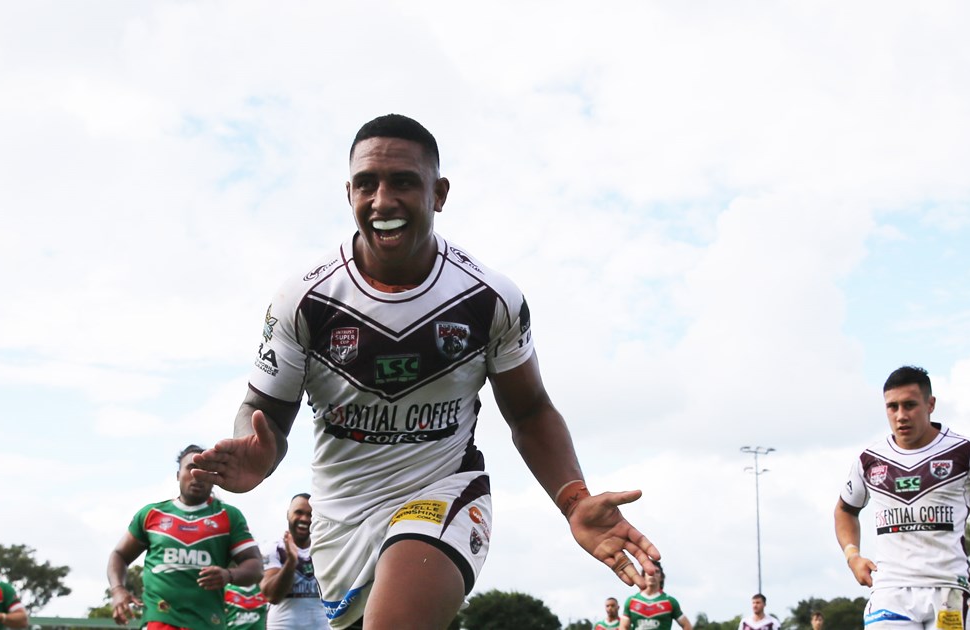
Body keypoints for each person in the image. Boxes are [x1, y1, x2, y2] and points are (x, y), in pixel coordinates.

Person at [194, 114, 661, 629]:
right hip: (341, 518)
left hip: (444, 493)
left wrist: (573, 499)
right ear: (348, 192)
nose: (382, 201)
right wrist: (256, 452)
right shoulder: (302, 300)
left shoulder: (488, 298)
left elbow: (529, 411)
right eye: (367, 184)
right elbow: (265, 414)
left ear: (438, 194)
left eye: (403, 182)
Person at [834, 366, 970, 630]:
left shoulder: (967, 450)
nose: (901, 416)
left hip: (948, 591)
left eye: (910, 405)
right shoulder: (869, 459)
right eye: (893, 407)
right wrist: (853, 556)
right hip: (889, 592)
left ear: (930, 404)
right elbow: (844, 510)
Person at [108, 445, 265, 630]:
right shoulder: (151, 514)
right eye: (191, 468)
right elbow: (119, 555)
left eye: (205, 470)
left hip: (207, 623)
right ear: (177, 475)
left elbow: (255, 567)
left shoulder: (228, 516)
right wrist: (118, 589)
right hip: (159, 620)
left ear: (214, 478)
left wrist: (228, 575)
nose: (197, 475)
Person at [261, 493, 325, 629]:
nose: (304, 519)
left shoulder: (324, 549)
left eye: (310, 514)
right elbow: (272, 596)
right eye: (299, 512)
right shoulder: (273, 548)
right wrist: (291, 562)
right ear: (288, 515)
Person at [620, 565, 690, 630]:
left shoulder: (670, 601)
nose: (652, 574)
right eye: (648, 572)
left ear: (661, 577)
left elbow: (686, 625)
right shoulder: (632, 601)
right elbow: (623, 626)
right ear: (643, 576)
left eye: (656, 571)